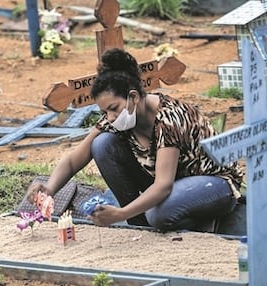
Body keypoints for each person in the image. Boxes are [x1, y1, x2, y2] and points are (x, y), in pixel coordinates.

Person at [28, 48, 243, 232]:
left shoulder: (169, 119)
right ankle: (140, 223)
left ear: (133, 97)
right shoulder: (118, 118)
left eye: (113, 108)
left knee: (159, 214)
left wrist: (119, 213)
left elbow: (163, 186)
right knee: (102, 144)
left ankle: (202, 225)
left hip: (213, 183)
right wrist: (49, 188)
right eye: (105, 111)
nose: (110, 117)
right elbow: (74, 159)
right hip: (173, 183)